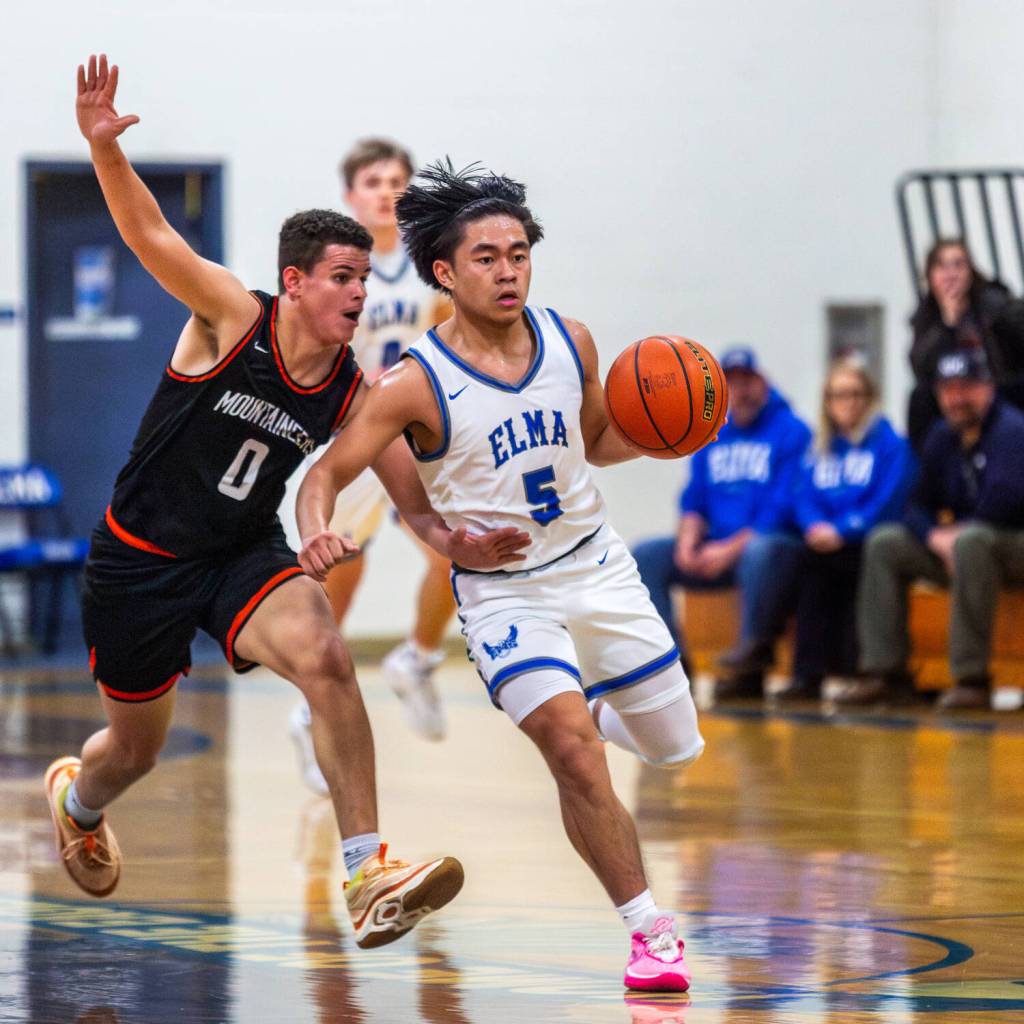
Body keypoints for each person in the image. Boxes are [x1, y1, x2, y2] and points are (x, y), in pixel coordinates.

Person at [44, 56, 527, 948]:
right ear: (296, 282)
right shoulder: (231, 315)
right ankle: (76, 800)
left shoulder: (352, 388)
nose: (359, 292)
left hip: (240, 555)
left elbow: (410, 504)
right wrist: (105, 150)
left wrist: (458, 540)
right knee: (133, 753)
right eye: (343, 277)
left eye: (364, 278)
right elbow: (151, 236)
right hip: (138, 561)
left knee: (328, 658)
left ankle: (367, 873)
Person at [297, 160, 705, 991]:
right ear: (445, 272)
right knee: (573, 755)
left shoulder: (572, 338)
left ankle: (595, 704)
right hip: (504, 595)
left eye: (518, 252)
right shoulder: (413, 382)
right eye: (487, 257)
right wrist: (333, 533)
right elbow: (325, 477)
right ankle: (649, 934)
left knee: (672, 748)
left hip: (598, 568)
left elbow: (597, 439)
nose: (508, 269)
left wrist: (670, 435)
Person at [289, 140, 454, 795]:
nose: (386, 189)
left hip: (414, 435)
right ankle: (309, 712)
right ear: (351, 195)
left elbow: (450, 333)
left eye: (396, 179)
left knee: (453, 553)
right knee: (338, 596)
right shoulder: (338, 265)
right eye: (372, 179)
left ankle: (415, 658)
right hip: (356, 430)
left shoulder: (429, 266)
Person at [841, 346, 1024, 709]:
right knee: (886, 542)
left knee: (972, 541)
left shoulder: (1011, 430)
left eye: (966, 387)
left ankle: (972, 679)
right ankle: (885, 672)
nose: (957, 398)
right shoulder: (943, 437)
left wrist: (955, 537)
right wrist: (934, 536)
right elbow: (915, 505)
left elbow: (1006, 502)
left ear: (987, 387)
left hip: (1012, 544)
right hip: (966, 548)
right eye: (948, 389)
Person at [632, 348, 811, 700]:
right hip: (717, 545)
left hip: (773, 549)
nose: (740, 391)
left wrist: (729, 549)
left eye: (747, 381)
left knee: (761, 551)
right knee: (646, 555)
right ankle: (672, 662)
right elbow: (694, 498)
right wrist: (687, 540)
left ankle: (751, 662)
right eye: (732, 382)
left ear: (763, 384)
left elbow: (783, 505)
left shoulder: (792, 431)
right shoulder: (712, 430)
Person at [776, 358, 912, 701]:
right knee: (805, 564)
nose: (848, 402)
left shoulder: (889, 444)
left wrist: (843, 530)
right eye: (839, 395)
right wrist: (815, 526)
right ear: (827, 402)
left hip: (864, 539)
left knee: (850, 565)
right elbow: (801, 495)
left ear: (869, 397)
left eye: (855, 393)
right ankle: (806, 674)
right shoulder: (820, 447)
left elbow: (888, 502)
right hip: (824, 542)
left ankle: (859, 668)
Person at [906, 239, 1011, 453]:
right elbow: (920, 369)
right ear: (930, 276)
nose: (950, 274)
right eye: (942, 266)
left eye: (958, 265)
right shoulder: (926, 317)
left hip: (996, 393)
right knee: (919, 400)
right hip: (952, 400)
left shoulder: (997, 305)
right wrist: (948, 324)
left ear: (970, 271)